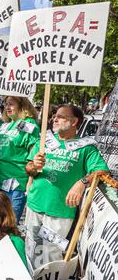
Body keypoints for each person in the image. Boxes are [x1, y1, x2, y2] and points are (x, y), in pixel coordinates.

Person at [25, 104, 109, 269]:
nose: (54, 119)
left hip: (60, 212)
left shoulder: (86, 147)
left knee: (48, 256)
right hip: (34, 205)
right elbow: (28, 168)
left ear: (74, 122)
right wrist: (33, 166)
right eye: (55, 115)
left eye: (61, 116)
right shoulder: (44, 140)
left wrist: (81, 182)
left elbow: (102, 171)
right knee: (30, 249)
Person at [0, 96, 40, 223]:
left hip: (15, 185)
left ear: (22, 106)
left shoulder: (28, 124)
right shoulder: (5, 126)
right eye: (6, 104)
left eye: (11, 104)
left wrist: (30, 180)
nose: (7, 107)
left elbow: (34, 152)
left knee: (9, 225)